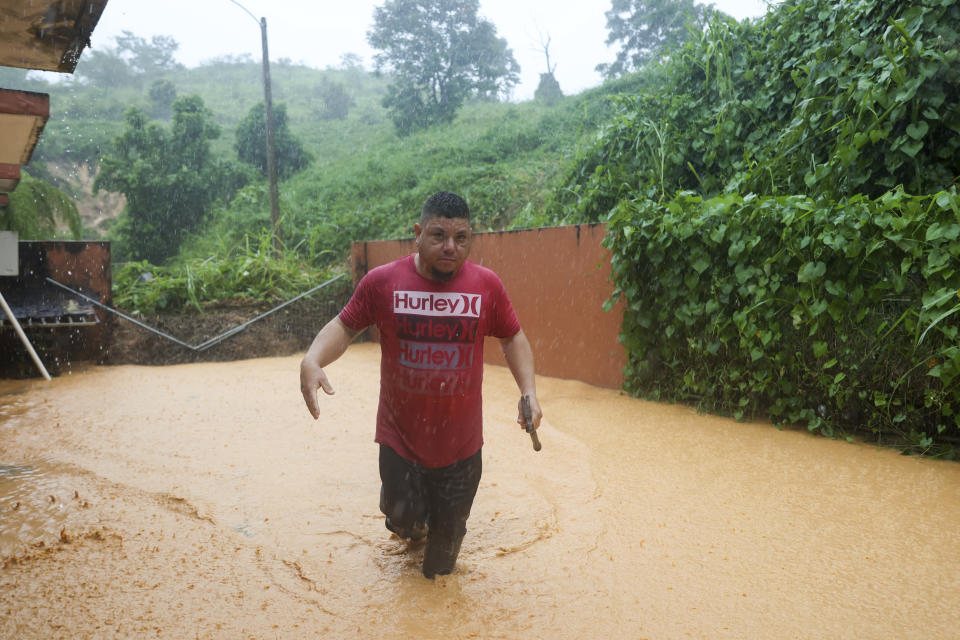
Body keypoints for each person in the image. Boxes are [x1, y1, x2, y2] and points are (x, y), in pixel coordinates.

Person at [299, 190, 542, 578]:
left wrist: (528, 391)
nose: (450, 247)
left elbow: (512, 337)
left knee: (440, 573)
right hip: (401, 445)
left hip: (462, 453)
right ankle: (406, 518)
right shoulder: (383, 282)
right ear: (417, 233)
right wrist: (313, 359)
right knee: (407, 526)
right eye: (438, 236)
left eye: (461, 238)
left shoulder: (486, 286)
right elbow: (345, 326)